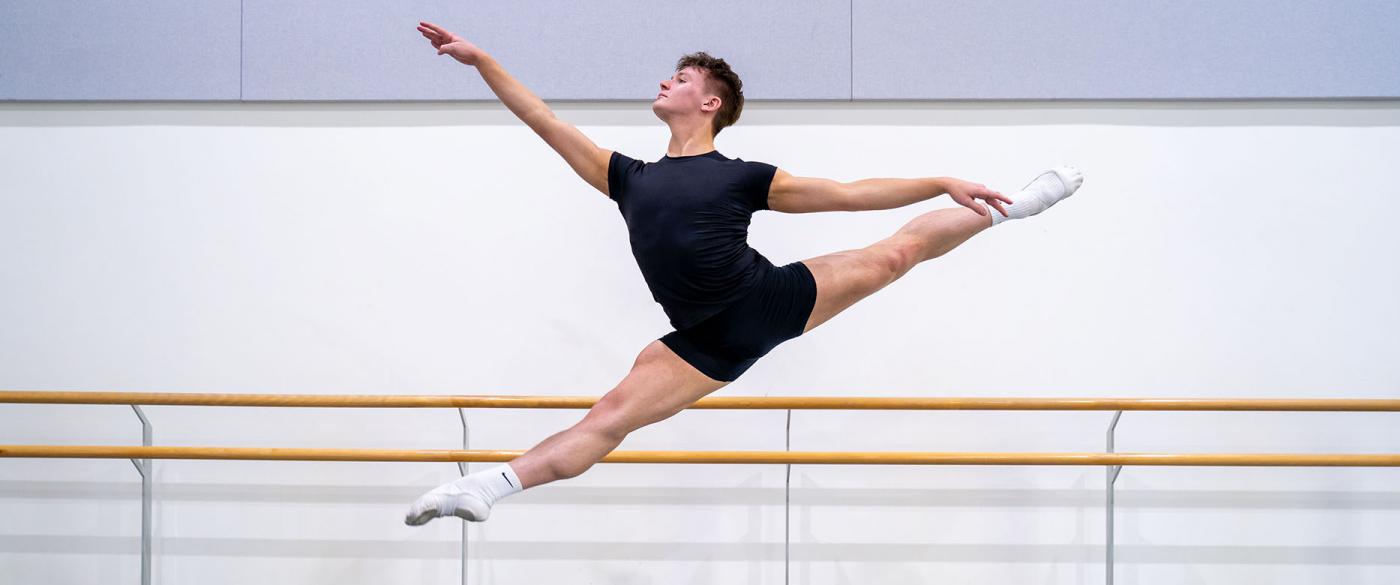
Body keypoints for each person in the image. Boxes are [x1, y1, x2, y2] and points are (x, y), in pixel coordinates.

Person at [405, 20, 1084, 525]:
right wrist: (481, 60)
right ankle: (487, 486)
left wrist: (938, 179)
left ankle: (1011, 208)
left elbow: (848, 193)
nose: (665, 82)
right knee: (609, 417)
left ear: (710, 104)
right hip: (705, 339)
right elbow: (541, 118)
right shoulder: (627, 178)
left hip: (767, 297)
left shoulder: (743, 177)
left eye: (680, 78)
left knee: (895, 254)